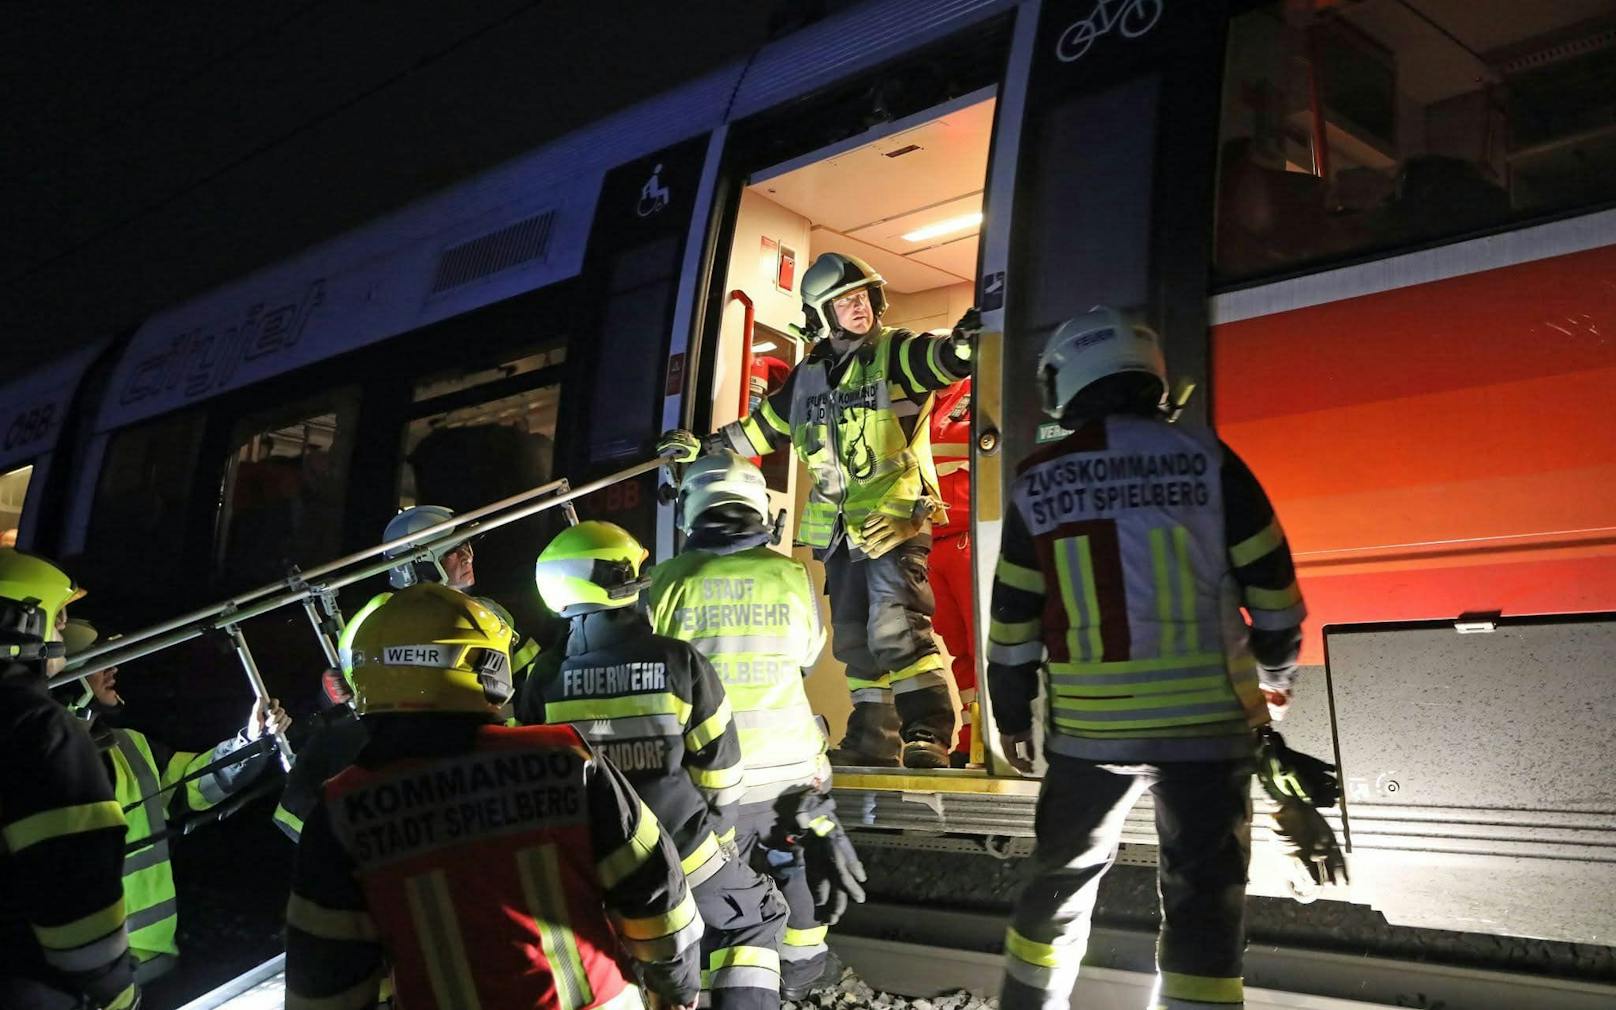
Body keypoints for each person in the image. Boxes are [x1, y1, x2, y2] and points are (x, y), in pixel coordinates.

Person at [987, 308, 1310, 1010]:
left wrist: (1010, 712)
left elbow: (1014, 619)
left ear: (1066, 385)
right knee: (1203, 902)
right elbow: (1277, 601)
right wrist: (1275, 676)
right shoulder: (1209, 459)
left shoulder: (1036, 480)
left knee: (1060, 884)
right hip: (1208, 729)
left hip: (1090, 736)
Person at [285, 582, 703, 1010]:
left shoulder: (341, 810)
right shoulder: (565, 758)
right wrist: (675, 990)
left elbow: (322, 975)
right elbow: (655, 891)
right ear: (483, 667)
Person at [660, 252, 978, 769]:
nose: (859, 308)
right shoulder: (806, 378)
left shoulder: (894, 351)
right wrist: (702, 448)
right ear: (821, 315)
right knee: (854, 640)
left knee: (897, 630)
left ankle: (929, 734)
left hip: (892, 525)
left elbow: (942, 360)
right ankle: (875, 738)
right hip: (838, 533)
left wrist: (964, 345)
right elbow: (756, 431)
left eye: (863, 297)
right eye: (844, 301)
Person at [523, 521, 788, 1010]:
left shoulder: (545, 677)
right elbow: (721, 769)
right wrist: (720, 844)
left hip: (590, 867)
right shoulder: (677, 661)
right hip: (685, 853)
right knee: (756, 917)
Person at [646, 452, 866, 998]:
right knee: (789, 862)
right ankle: (801, 976)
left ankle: (738, 990)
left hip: (718, 775)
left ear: (692, 509)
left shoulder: (667, 581)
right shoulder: (791, 573)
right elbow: (808, 656)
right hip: (793, 767)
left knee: (731, 898)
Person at [273, 505, 543, 840]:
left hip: (487, 764)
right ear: (417, 564)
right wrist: (329, 695)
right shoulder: (371, 622)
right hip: (422, 766)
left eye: (468, 545)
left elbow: (529, 681)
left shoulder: (491, 616)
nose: (468, 555)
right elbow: (353, 709)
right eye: (454, 550)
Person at [61, 621, 289, 982]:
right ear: (68, 679)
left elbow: (190, 787)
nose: (113, 669)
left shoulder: (129, 743)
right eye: (98, 661)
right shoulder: (31, 767)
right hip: (88, 977)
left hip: (155, 961)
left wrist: (249, 740)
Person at [0, 549, 138, 1010]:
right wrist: (120, 997)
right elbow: (78, 904)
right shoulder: (40, 730)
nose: (64, 633)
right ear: (24, 620)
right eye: (59, 620)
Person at [926, 375, 978, 766]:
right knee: (957, 647)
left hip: (968, 536)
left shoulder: (981, 392)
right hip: (934, 542)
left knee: (979, 646)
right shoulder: (927, 403)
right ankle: (968, 738)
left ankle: (982, 740)